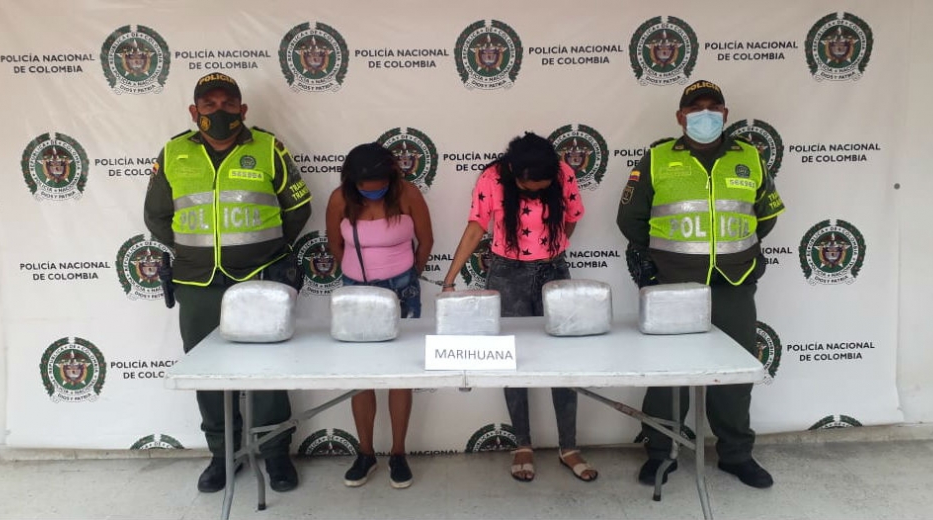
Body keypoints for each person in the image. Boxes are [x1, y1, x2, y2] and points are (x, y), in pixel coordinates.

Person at [144, 72, 312, 494]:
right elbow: (156, 216)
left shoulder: (269, 147)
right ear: (193, 111)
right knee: (209, 373)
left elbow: (298, 207)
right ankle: (223, 456)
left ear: (243, 109)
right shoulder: (174, 152)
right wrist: (194, 251)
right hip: (197, 282)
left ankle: (276, 455)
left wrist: (266, 251)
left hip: (259, 282)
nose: (219, 111)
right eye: (209, 104)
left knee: (268, 372)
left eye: (227, 103)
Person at [616, 80, 786, 489]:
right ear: (680, 117)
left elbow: (766, 216)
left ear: (725, 114)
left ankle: (736, 455)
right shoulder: (656, 158)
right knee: (666, 373)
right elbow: (630, 219)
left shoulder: (750, 157)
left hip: (734, 280)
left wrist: (735, 251)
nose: (705, 114)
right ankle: (660, 453)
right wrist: (662, 259)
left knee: (734, 372)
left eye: (713, 107)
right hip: (673, 285)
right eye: (696, 108)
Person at [442, 132, 597, 483]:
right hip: (507, 273)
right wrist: (450, 279)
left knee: (563, 358)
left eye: (543, 188)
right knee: (510, 357)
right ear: (514, 173)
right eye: (530, 187)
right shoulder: (491, 179)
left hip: (554, 270)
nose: (536, 192)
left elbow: (572, 216)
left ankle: (568, 447)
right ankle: (522, 444)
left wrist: (552, 249)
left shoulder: (562, 174)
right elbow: (474, 229)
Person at [325, 142, 434, 489]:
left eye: (380, 188)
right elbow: (334, 244)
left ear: (392, 175)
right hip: (356, 291)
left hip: (402, 289)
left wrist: (409, 276)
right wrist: (358, 273)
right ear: (352, 181)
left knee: (400, 373)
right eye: (366, 190)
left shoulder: (408, 195)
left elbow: (426, 241)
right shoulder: (340, 199)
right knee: (362, 375)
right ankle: (366, 452)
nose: (373, 195)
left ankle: (398, 453)